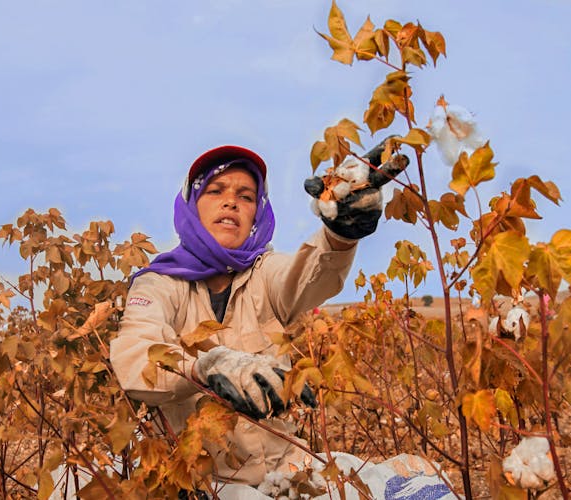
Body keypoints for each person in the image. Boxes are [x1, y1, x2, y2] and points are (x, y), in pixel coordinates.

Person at [109, 142, 407, 487]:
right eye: (216, 190)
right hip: (201, 484)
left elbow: (310, 273)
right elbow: (135, 358)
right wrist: (203, 366)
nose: (231, 201)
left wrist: (340, 235)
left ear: (257, 212)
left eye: (246, 196)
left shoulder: (264, 273)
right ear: (191, 206)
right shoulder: (159, 284)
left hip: (284, 473)